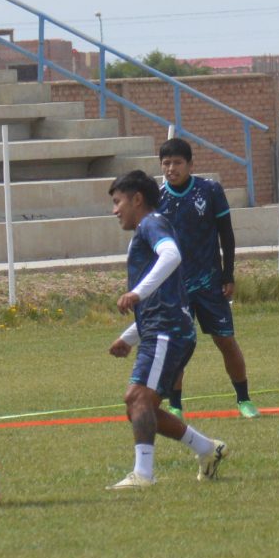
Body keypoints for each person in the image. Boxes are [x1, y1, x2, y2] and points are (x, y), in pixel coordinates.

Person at [106, 170, 228, 489]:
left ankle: (143, 475)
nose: (115, 210)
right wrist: (130, 337)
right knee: (138, 405)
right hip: (162, 329)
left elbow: (171, 255)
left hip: (166, 332)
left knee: (138, 400)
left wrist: (136, 293)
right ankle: (207, 448)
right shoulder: (149, 227)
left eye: (118, 202)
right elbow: (166, 296)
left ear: (137, 199)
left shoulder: (151, 223)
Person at [157, 138, 257, 418]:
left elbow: (226, 234)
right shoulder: (158, 198)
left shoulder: (210, 190)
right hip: (176, 287)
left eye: (177, 163)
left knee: (225, 340)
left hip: (210, 283)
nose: (171, 168)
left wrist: (228, 273)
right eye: (166, 163)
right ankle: (175, 406)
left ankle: (244, 399)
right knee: (177, 345)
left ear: (190, 164)